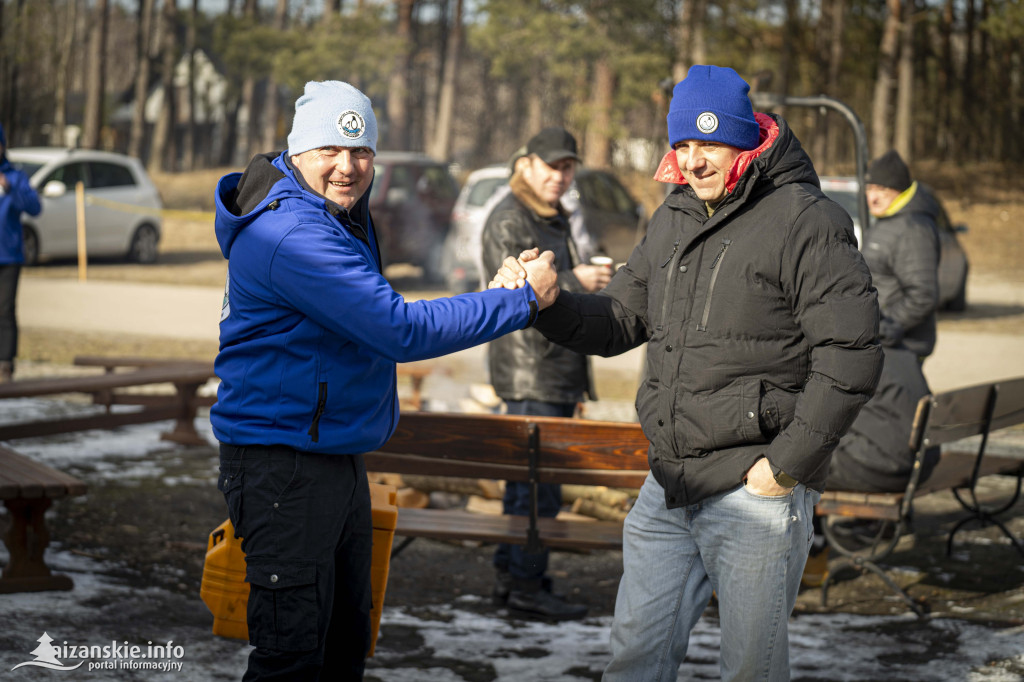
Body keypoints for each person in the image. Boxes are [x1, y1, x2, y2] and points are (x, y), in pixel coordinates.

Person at [490, 65, 882, 680]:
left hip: (755, 493)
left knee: (751, 671)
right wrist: (549, 305)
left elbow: (853, 354)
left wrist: (782, 470)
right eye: (683, 146)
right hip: (668, 485)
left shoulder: (807, 220)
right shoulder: (674, 215)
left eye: (710, 145)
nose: (694, 162)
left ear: (748, 142)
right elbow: (620, 316)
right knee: (635, 660)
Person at [211, 80, 558, 682]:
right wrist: (518, 302)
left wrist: (498, 293)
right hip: (282, 468)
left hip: (330, 455)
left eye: (362, 152)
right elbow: (397, 329)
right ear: (297, 153)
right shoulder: (291, 233)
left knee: (345, 641)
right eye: (330, 151)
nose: (348, 168)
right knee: (292, 657)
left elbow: (374, 309)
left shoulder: (332, 213)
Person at [480, 127, 611, 621]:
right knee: (536, 489)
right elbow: (512, 295)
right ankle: (525, 586)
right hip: (530, 371)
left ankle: (515, 578)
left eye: (568, 166)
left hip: (554, 368)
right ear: (526, 165)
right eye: (552, 166)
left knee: (530, 485)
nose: (560, 176)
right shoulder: (510, 218)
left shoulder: (550, 214)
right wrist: (582, 280)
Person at [827, 152, 942, 491]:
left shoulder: (911, 227)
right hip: (887, 342)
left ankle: (874, 488)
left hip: (899, 345)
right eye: (869, 187)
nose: (872, 196)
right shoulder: (893, 221)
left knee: (888, 424)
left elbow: (922, 293)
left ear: (900, 190)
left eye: (881, 189)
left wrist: (887, 328)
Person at [0, 123, 41, 382]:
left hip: (9, 255)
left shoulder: (16, 177)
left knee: (4, 310)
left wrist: (10, 189)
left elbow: (35, 207)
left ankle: (5, 364)